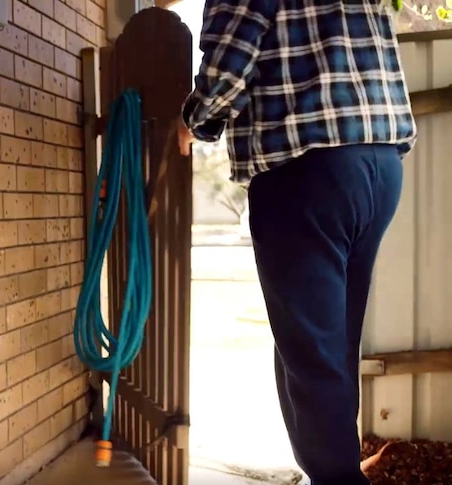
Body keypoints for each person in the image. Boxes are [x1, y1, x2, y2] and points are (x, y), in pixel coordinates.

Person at [177, 1, 417, 484]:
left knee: (312, 354)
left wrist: (191, 123)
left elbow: (230, 58)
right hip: (379, 162)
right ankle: (338, 467)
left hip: (306, 167)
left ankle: (336, 479)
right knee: (333, 343)